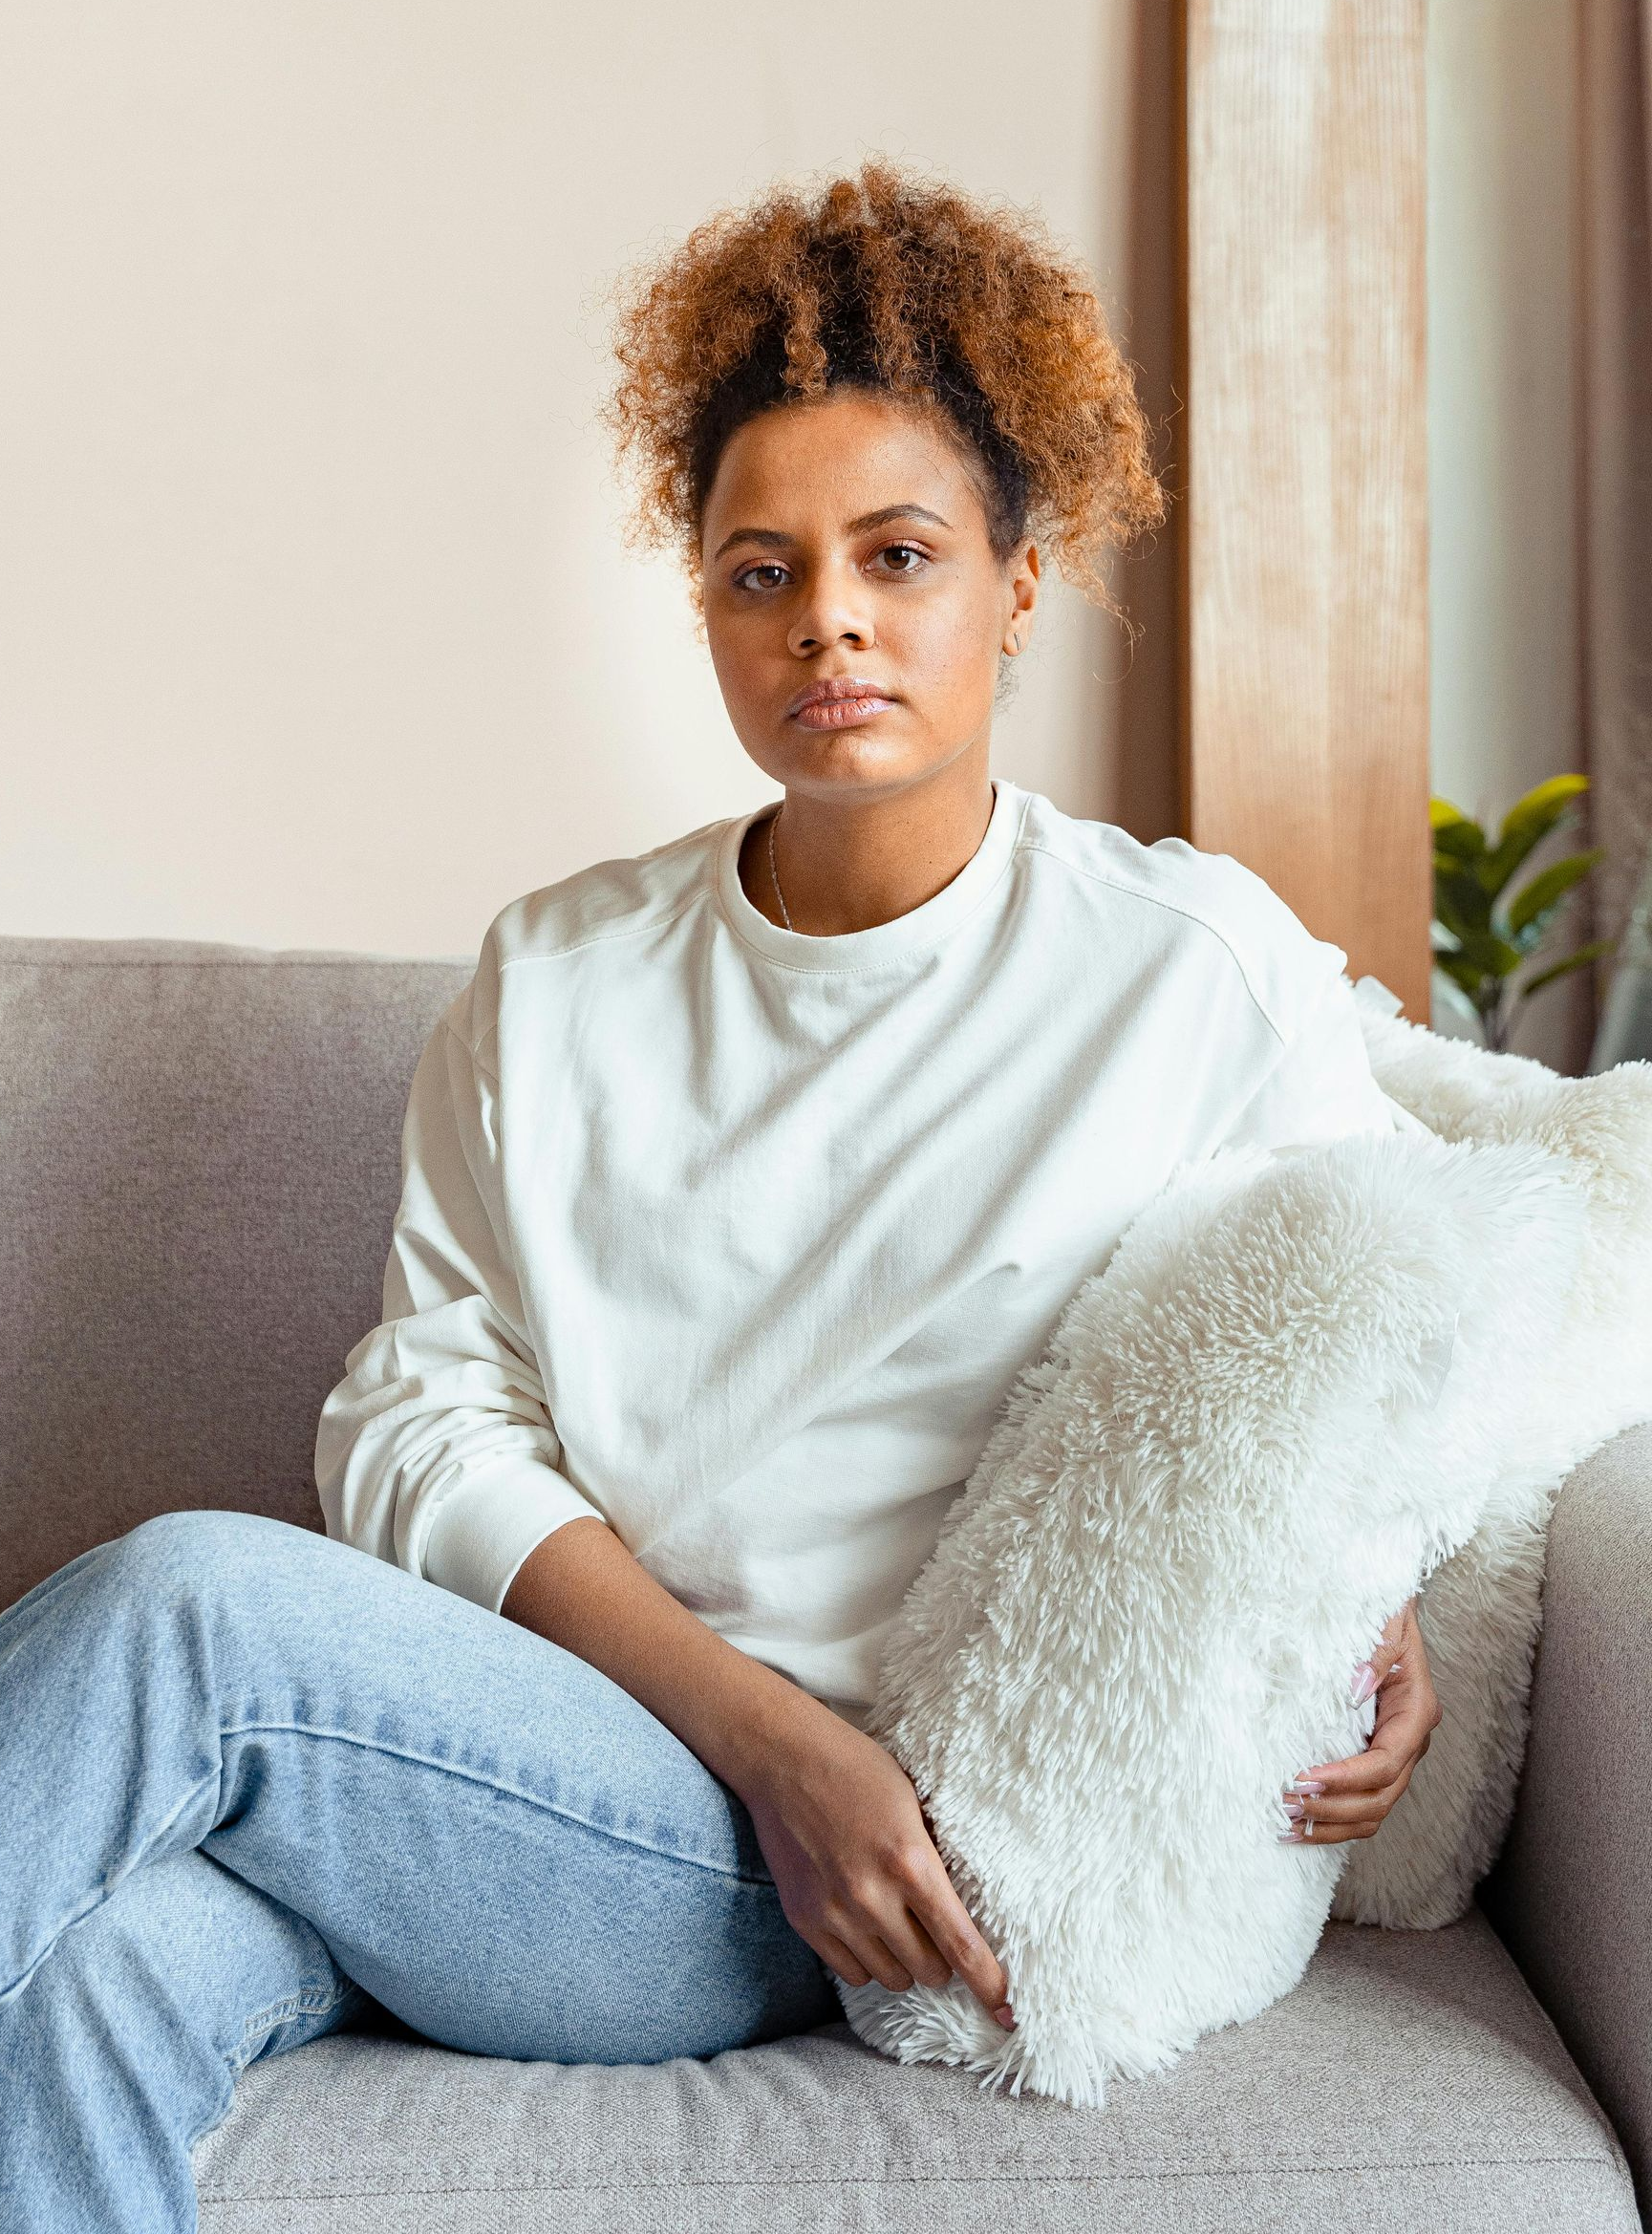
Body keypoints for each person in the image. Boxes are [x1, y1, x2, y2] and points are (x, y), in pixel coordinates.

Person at [0, 161, 1441, 2232]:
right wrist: (766, 1735)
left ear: (1023, 582)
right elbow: (419, 1423)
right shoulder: (560, 977)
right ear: (706, 606)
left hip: (793, 1887)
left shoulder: (1186, 973)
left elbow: (1387, 1310)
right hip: (564, 1765)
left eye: (898, 555)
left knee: (186, 1615)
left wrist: (1381, 1593)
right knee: (98, 1974)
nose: (827, 617)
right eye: (762, 570)